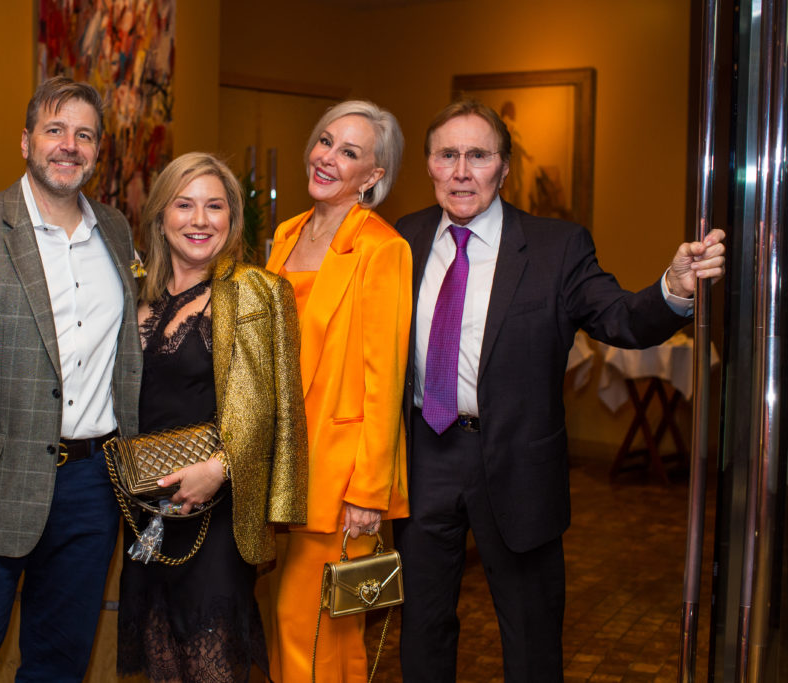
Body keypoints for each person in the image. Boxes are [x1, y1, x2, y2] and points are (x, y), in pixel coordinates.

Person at [392, 98, 727, 681]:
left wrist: (672, 286)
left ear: (504, 166)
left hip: (518, 465)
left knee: (530, 636)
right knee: (422, 628)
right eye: (448, 155)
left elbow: (622, 319)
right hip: (424, 457)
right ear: (428, 164)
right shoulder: (404, 239)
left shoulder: (555, 247)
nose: (462, 171)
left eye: (478, 155)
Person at [0, 76, 141, 681]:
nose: (69, 145)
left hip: (92, 488)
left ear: (97, 151)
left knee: (59, 667)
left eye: (84, 135)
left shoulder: (115, 230)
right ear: (25, 140)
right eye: (55, 130)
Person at [116, 152, 308, 682]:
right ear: (160, 216)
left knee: (214, 663)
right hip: (145, 513)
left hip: (218, 511)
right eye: (184, 205)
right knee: (161, 663)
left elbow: (275, 407)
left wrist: (218, 470)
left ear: (232, 219)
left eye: (214, 207)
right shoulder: (136, 295)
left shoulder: (256, 291)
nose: (199, 220)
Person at [265, 100, 412, 682]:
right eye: (325, 141)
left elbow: (386, 380)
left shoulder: (382, 248)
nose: (327, 157)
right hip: (279, 471)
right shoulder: (286, 232)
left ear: (373, 176)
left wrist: (369, 492)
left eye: (349, 152)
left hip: (339, 482)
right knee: (288, 626)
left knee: (319, 630)